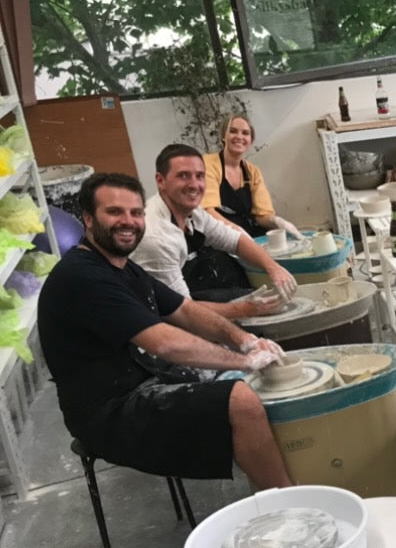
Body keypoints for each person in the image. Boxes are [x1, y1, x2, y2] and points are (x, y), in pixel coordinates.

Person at [38, 173, 293, 490]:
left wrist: (247, 341)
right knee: (240, 397)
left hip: (141, 379)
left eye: (135, 212)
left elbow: (184, 310)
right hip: (107, 412)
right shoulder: (83, 277)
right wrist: (244, 361)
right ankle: (288, 502)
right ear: (88, 219)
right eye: (114, 212)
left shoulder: (121, 266)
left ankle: (266, 482)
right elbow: (165, 344)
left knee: (240, 381)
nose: (127, 221)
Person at [133, 143, 297, 319]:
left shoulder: (191, 211)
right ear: (161, 181)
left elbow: (235, 241)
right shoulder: (156, 236)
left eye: (199, 176)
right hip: (152, 319)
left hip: (180, 298)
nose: (194, 185)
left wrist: (274, 268)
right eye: (183, 176)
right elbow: (183, 312)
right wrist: (248, 309)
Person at [201, 114, 300, 240]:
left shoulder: (252, 172)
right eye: (233, 131)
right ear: (223, 136)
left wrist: (277, 222)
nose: (239, 137)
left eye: (245, 133)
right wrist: (238, 234)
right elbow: (207, 212)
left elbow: (261, 215)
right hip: (218, 237)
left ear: (251, 141)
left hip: (250, 234)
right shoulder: (208, 164)